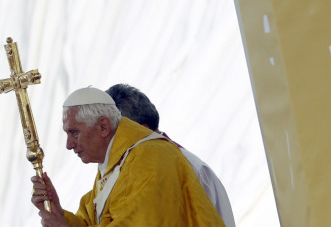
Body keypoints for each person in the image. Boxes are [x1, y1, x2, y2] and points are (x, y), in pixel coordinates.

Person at [31, 86, 225, 226]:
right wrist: (57, 213)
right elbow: (92, 222)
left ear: (103, 127)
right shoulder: (116, 164)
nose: (69, 145)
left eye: (74, 133)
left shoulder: (150, 159)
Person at [105, 83, 236, 227]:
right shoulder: (122, 174)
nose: (112, 148)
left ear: (142, 130)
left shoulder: (190, 168)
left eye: (116, 138)